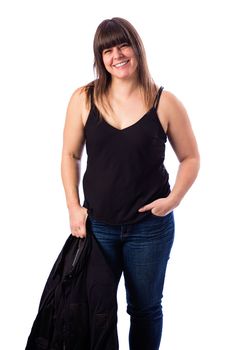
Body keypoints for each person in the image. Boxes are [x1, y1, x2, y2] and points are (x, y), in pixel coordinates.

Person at [61, 17, 200, 350]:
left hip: (149, 229)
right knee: (95, 310)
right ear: (100, 58)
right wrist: (73, 208)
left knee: (145, 308)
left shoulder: (165, 102)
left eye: (123, 45)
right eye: (107, 49)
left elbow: (191, 158)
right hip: (97, 227)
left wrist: (174, 199)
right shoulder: (83, 98)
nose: (117, 55)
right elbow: (70, 155)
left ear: (136, 48)